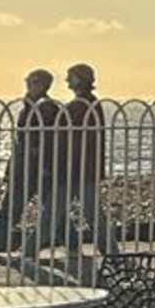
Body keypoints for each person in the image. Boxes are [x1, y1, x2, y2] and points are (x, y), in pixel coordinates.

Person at [0, 68, 58, 255]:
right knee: (51, 211)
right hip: (27, 168)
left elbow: (46, 141)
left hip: (33, 169)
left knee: (9, 212)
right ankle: (73, 243)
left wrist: (43, 164)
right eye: (28, 80)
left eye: (32, 81)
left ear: (42, 85)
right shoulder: (30, 107)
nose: (28, 84)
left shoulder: (45, 108)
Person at [52, 63, 109, 262]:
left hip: (76, 169)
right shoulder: (89, 103)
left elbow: (71, 139)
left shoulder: (81, 105)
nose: (67, 80)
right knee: (87, 214)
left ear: (80, 79)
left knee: (57, 212)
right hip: (82, 168)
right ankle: (109, 252)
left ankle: (29, 252)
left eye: (71, 76)